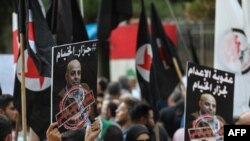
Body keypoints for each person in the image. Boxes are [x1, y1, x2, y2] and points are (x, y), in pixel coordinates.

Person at [57, 59, 93, 140]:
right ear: (66, 76)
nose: (76, 77)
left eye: (79, 73)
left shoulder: (85, 88)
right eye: (73, 73)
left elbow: (92, 115)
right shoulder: (61, 97)